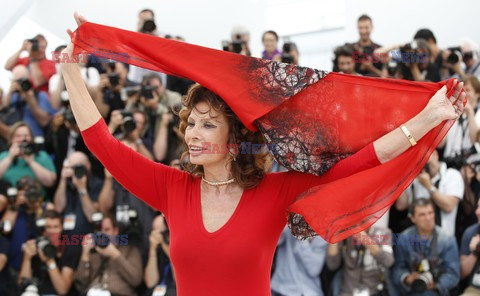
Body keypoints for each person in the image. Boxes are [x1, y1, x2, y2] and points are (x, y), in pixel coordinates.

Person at [61, 13, 465, 295]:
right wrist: (72, 74)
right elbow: (103, 145)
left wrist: (426, 119)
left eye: (207, 124)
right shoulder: (172, 187)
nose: (192, 134)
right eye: (190, 123)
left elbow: (357, 164)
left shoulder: (274, 192)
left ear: (234, 139)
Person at [391, 198, 460, 295]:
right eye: (422, 215)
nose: (428, 218)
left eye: (430, 213)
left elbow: (453, 274)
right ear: (413, 218)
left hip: (437, 290)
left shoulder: (447, 239)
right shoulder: (404, 238)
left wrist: (436, 285)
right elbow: (397, 268)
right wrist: (407, 278)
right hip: (411, 289)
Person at [75, 213, 143, 295]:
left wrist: (116, 255)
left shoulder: (130, 250)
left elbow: (136, 280)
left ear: (115, 231)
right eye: (100, 230)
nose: (103, 234)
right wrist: (85, 254)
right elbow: (80, 286)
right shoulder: (92, 252)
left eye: (107, 230)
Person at [18, 210, 81, 296]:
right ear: (43, 229)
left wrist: (49, 261)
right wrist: (27, 258)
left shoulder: (69, 249)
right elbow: (22, 285)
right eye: (48, 227)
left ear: (61, 228)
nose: (52, 231)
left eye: (56, 227)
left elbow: (62, 290)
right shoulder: (35, 246)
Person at [326, 225, 394, 295]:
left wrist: (366, 241)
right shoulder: (345, 235)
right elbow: (332, 265)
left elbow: (388, 261)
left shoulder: (383, 233)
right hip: (348, 290)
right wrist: (334, 237)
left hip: (374, 290)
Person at [271, 226, 327, 296]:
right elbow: (270, 240)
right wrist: (293, 225)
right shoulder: (290, 226)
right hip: (283, 288)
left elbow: (314, 270)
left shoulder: (322, 236)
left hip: (309, 290)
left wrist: (302, 237)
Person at [2, 65, 57, 137]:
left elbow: (44, 122)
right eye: (17, 81)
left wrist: (29, 98)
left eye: (22, 81)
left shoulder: (40, 96)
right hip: (12, 140)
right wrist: (9, 94)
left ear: (29, 80)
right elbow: (3, 112)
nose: (20, 84)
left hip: (36, 140)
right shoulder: (12, 97)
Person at [0, 122, 56, 188]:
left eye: (26, 136)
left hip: (36, 197)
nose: (23, 139)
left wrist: (31, 162)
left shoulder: (41, 156)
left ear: (31, 138)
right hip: (9, 196)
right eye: (18, 136)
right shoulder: (4, 156)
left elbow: (50, 182)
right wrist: (9, 158)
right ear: (11, 139)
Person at [144, 214, 176, 296]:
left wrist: (169, 252)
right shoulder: (155, 249)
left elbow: (178, 280)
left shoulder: (181, 247)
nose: (161, 236)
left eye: (164, 232)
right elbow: (150, 283)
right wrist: (152, 250)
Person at [460, 202, 480, 295]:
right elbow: (462, 273)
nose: (477, 212)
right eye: (478, 206)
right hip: (476, 289)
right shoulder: (471, 232)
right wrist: (475, 252)